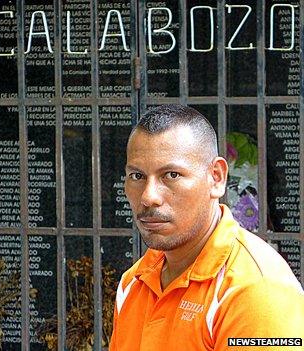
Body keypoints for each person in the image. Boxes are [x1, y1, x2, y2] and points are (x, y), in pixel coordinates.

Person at [110, 105, 304, 350]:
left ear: (217, 177)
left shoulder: (255, 289)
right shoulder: (134, 282)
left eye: (171, 175)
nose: (149, 197)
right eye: (137, 176)